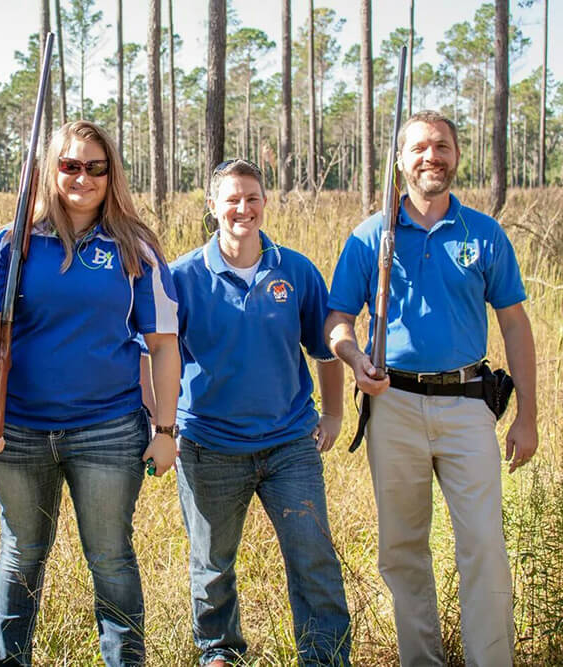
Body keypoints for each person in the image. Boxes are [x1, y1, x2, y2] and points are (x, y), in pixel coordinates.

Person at [0, 120, 180, 667]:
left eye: (96, 166)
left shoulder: (134, 246)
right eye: (70, 165)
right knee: (21, 555)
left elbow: (164, 347)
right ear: (50, 171)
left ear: (111, 174)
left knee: (110, 557)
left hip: (109, 431)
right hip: (19, 431)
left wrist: (165, 431)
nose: (83, 177)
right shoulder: (13, 244)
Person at [324, 110, 538, 666]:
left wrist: (528, 417)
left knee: (483, 547)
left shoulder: (483, 234)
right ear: (400, 160)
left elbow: (515, 323)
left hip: (468, 406)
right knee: (401, 551)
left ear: (457, 155)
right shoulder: (372, 234)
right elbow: (338, 319)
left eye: (441, 146)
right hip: (391, 404)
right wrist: (352, 357)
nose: (431, 157)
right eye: (418, 147)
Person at [167, 158, 351, 667]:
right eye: (232, 199)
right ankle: (220, 653)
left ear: (265, 202)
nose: (243, 208)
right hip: (208, 447)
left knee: (313, 557)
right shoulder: (182, 277)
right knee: (212, 564)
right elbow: (160, 357)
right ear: (212, 207)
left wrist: (332, 415)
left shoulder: (294, 271)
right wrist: (165, 426)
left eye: (252, 197)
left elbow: (324, 346)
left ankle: (326, 656)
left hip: (289, 444)